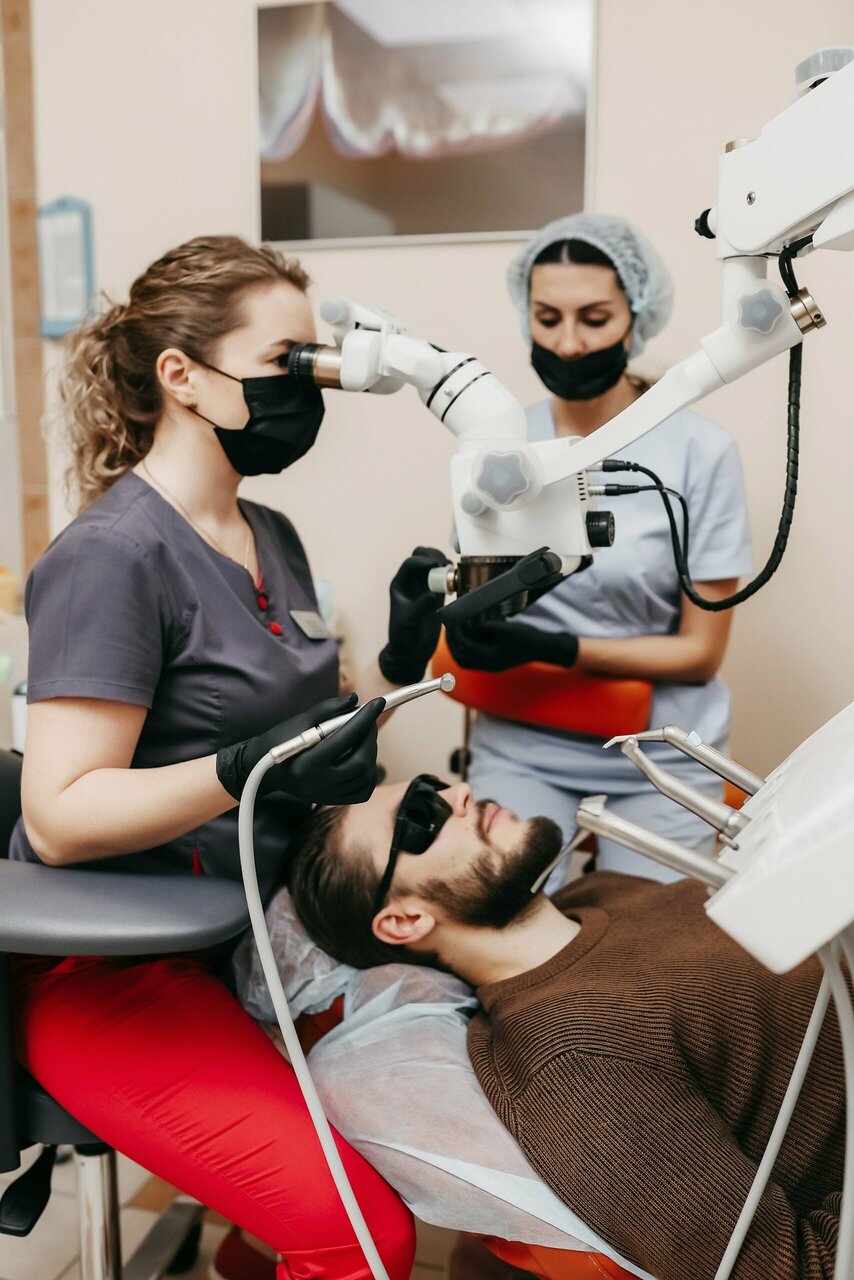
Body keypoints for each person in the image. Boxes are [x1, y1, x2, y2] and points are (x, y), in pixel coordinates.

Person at [8, 235, 449, 1280]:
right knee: (365, 1239)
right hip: (120, 970)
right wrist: (247, 768)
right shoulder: (113, 557)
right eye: (286, 362)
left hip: (255, 936)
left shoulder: (269, 532)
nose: (310, 386)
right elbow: (59, 818)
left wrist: (403, 662)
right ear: (183, 375)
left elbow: (305, 746)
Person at [285, 777, 843, 1280]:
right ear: (406, 920)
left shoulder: (598, 896)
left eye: (433, 785)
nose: (458, 792)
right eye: (419, 816)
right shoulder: (573, 1059)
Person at [444, 213, 754, 883]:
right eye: (547, 318)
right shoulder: (496, 447)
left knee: (648, 931)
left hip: (659, 750)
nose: (569, 343)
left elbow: (700, 655)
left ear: (636, 316)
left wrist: (556, 648)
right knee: (501, 911)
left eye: (594, 318)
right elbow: (473, 603)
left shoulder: (699, 452)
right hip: (524, 739)